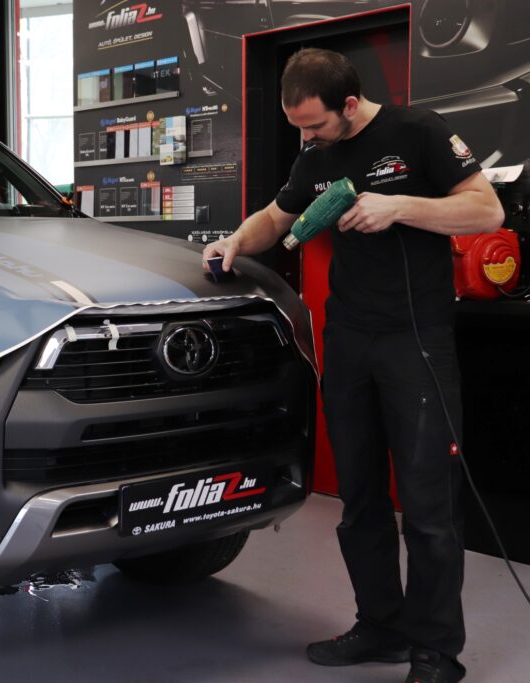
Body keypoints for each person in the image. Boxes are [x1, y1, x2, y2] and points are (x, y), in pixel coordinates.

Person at [203, 48, 504, 683]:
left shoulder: (417, 132)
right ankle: (381, 625)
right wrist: (235, 241)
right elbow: (277, 218)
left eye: (315, 125)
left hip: (415, 341)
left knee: (427, 507)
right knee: (360, 499)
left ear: (348, 103)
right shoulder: (315, 156)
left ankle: (435, 651)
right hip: (347, 340)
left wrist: (401, 206)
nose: (306, 138)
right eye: (297, 128)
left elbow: (486, 210)